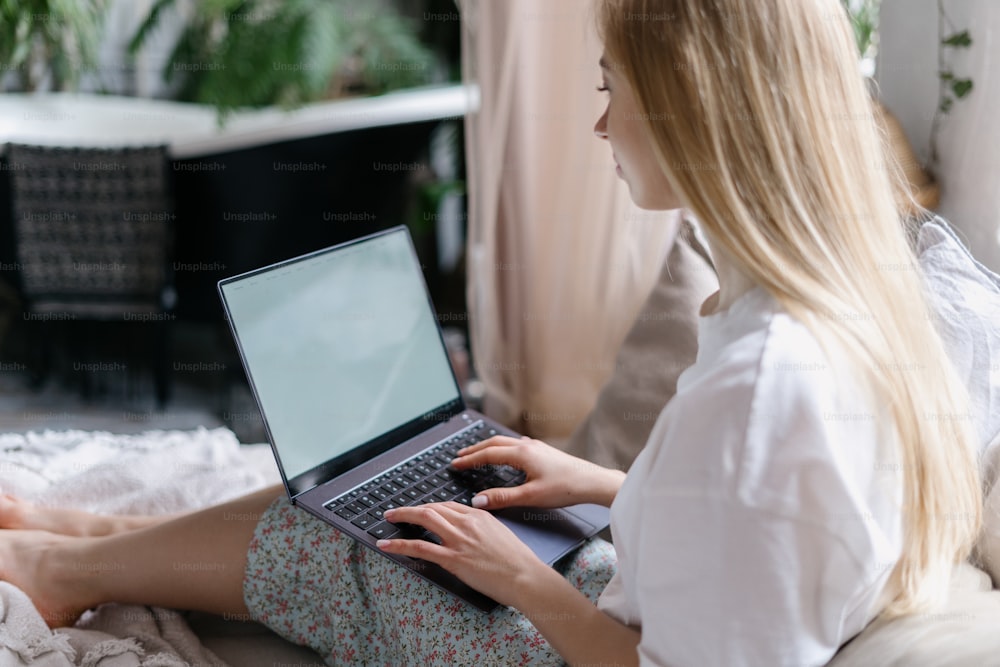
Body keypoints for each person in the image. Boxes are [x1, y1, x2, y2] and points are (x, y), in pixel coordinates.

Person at [0, 0, 984, 664]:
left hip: (583, 644)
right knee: (395, 475)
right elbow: (762, 523)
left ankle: (63, 570)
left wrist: (520, 578)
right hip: (646, 590)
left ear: (690, 106)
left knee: (352, 536)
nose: (600, 127)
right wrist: (603, 483)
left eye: (609, 88)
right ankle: (106, 536)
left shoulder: (768, 390)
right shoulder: (862, 298)